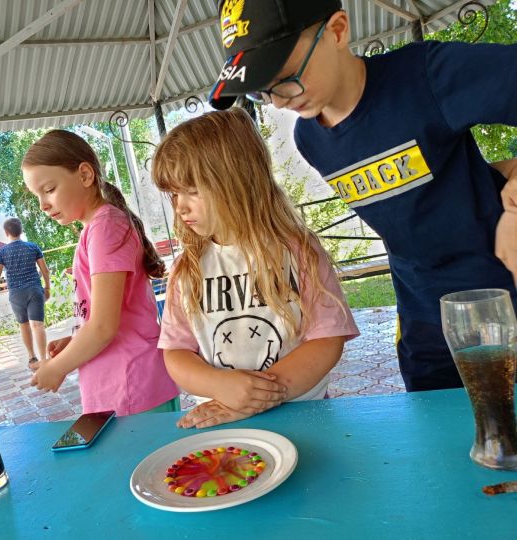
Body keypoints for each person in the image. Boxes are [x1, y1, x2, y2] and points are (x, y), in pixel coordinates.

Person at [208, 0, 517, 392]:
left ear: (337, 30)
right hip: (424, 322)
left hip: (504, 296)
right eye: (262, 92)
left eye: (285, 76)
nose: (280, 101)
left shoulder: (425, 77)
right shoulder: (310, 139)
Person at [153, 108, 359, 429]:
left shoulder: (298, 251)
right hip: (221, 418)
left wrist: (259, 395)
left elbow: (327, 339)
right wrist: (222, 387)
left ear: (236, 182)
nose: (180, 206)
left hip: (300, 413)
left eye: (193, 191)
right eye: (174, 194)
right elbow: (176, 352)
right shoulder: (187, 269)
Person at [21, 129, 180, 416]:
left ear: (85, 175)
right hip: (121, 385)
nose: (43, 205)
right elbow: (109, 320)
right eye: (37, 196)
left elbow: (105, 326)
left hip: (131, 386)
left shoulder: (105, 228)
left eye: (49, 189)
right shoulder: (96, 229)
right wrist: (75, 341)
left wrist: (57, 367)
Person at [0, 218, 50, 368]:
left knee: (24, 325)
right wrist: (47, 288)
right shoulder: (33, 247)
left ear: (6, 233)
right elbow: (45, 270)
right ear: (21, 231)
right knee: (38, 325)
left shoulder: (2, 252)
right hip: (34, 289)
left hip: (16, 294)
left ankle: (32, 357)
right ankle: (44, 359)